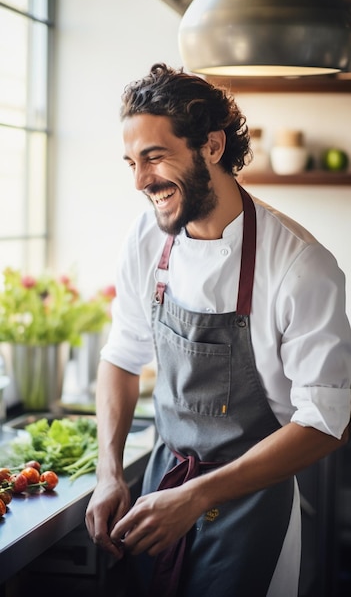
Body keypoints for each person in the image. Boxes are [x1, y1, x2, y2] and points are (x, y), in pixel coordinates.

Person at [85, 63, 351, 597]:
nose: (141, 181)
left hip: (254, 509)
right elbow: (121, 355)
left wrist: (199, 496)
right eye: (132, 163)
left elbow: (327, 419)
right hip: (161, 495)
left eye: (155, 157)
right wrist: (109, 471)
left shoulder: (300, 265)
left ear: (211, 145)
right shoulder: (147, 240)